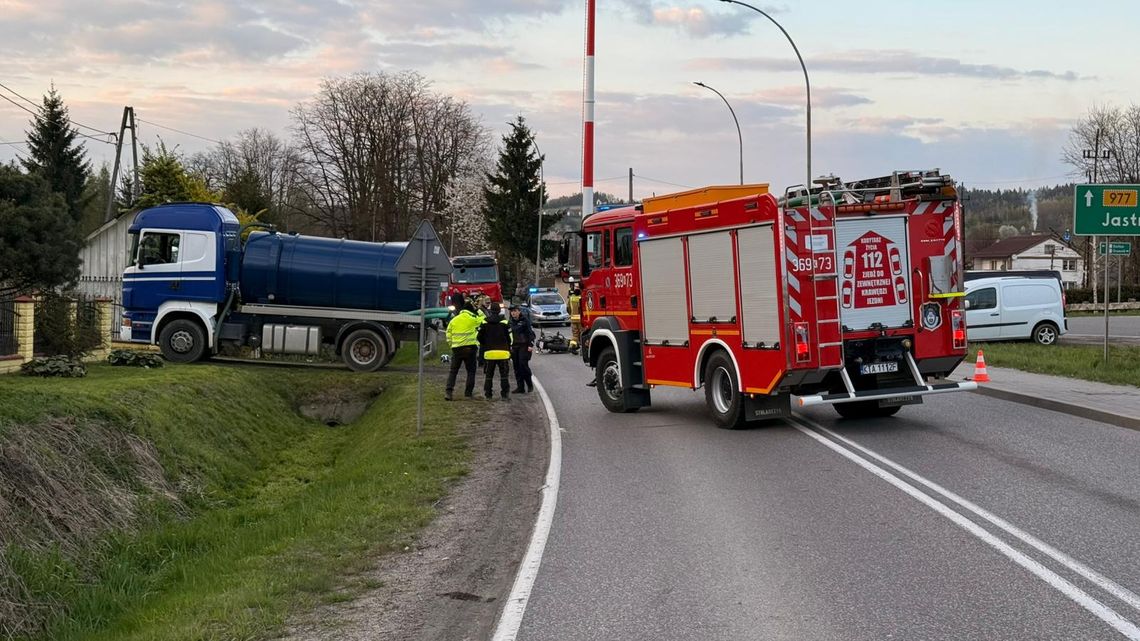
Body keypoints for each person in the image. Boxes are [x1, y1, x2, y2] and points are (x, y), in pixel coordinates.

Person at [444, 293, 482, 401]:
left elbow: (448, 333)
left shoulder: (454, 320)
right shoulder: (473, 319)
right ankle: (468, 393)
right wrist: (478, 310)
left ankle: (449, 392)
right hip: (470, 349)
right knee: (471, 371)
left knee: (453, 371)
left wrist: (452, 345)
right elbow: (484, 320)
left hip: (457, 349)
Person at [477, 302, 513, 400]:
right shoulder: (504, 322)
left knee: (489, 375)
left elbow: (479, 337)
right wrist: (508, 347)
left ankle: (488, 394)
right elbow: (510, 337)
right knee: (504, 375)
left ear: (490, 311)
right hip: (503, 353)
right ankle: (505, 394)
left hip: (489, 353)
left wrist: (485, 344)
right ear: (499, 311)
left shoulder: (485, 322)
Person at [508, 303, 535, 393]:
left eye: (515, 311)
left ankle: (529, 384)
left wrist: (530, 345)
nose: (513, 313)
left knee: (523, 365)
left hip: (524, 346)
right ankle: (520, 387)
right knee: (516, 367)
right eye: (512, 311)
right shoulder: (510, 322)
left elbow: (530, 333)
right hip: (514, 346)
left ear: (519, 311)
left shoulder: (525, 320)